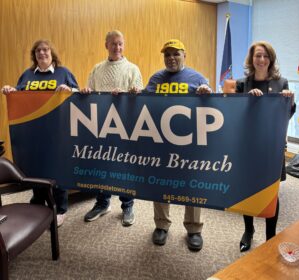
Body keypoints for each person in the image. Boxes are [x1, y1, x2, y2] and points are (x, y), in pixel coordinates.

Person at [1, 39, 79, 227]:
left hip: (57, 132)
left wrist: (70, 90)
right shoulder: (27, 75)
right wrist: (10, 90)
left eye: (45, 50)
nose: (42, 53)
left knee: (58, 168)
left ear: (52, 53)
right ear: (34, 56)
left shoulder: (63, 72)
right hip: (32, 133)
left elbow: (79, 94)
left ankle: (61, 209)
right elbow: (18, 95)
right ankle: (38, 202)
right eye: (38, 51)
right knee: (35, 167)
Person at [145, 39, 212, 251]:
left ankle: (194, 229)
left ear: (185, 55)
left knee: (191, 184)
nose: (171, 58)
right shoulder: (156, 78)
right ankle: (161, 225)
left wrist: (206, 93)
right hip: (161, 141)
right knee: (161, 182)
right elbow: (143, 103)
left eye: (176, 54)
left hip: (189, 141)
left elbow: (213, 106)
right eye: (167, 55)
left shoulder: (197, 77)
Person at [236, 41, 296, 252]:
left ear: (271, 59)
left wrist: (291, 101)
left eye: (265, 56)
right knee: (249, 190)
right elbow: (235, 116)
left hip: (271, 147)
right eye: (257, 56)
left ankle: (270, 235)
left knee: (271, 192)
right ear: (251, 59)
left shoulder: (282, 83)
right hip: (248, 146)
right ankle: (248, 231)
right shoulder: (242, 83)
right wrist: (247, 100)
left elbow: (286, 116)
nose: (261, 60)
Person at [81, 30, 143, 226]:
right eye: (114, 44)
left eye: (120, 44)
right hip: (100, 126)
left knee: (123, 166)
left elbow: (140, 98)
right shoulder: (97, 68)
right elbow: (90, 93)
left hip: (125, 127)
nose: (117, 47)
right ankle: (102, 203)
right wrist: (86, 92)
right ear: (106, 45)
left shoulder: (132, 69)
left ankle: (127, 206)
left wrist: (129, 93)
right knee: (102, 165)